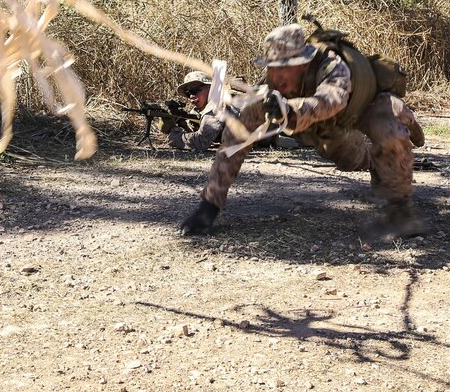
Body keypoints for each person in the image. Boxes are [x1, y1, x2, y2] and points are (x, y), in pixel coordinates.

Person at [178, 23, 427, 238]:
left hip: (364, 105)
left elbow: (333, 99)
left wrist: (291, 109)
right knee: (346, 159)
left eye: (284, 66)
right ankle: (377, 164)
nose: (276, 75)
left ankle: (400, 207)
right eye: (271, 67)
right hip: (331, 126)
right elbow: (234, 140)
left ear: (304, 63)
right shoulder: (273, 85)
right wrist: (209, 205)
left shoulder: (332, 65)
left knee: (391, 122)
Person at [166, 71, 230, 152]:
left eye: (195, 90)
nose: (192, 97)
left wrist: (173, 136)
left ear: (210, 88)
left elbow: (200, 142)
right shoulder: (200, 110)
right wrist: (182, 124)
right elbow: (194, 132)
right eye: (188, 93)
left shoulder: (216, 106)